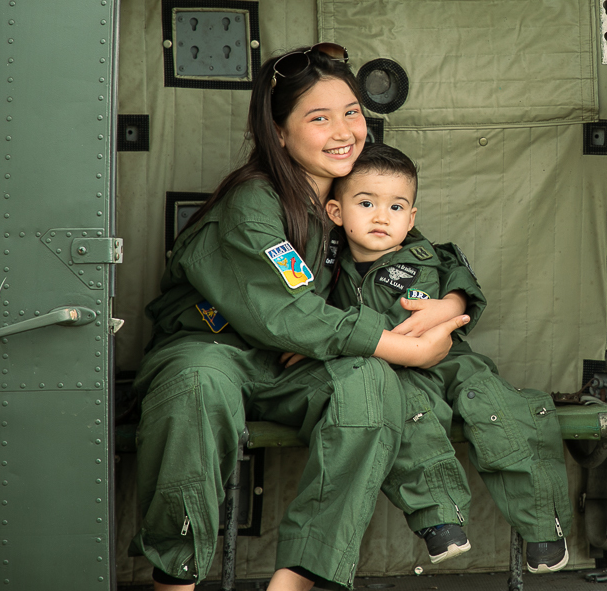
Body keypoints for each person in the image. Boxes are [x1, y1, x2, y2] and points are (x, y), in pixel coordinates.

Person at [132, 44, 471, 591]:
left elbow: (426, 252)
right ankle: (177, 579)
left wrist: (452, 305)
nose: (343, 130)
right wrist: (407, 347)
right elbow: (284, 312)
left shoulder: (348, 190)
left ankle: (297, 579)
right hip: (212, 349)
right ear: (279, 132)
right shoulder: (254, 201)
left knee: (369, 381)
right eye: (319, 118)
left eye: (352, 112)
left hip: (289, 361)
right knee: (197, 389)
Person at [326, 144, 573, 574]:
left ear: (412, 217)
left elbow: (463, 283)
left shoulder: (430, 254)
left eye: (396, 206)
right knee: (411, 416)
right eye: (366, 203)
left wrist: (453, 300)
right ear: (335, 211)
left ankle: (543, 525)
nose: (381, 216)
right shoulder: (324, 265)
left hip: (453, 359)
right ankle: (439, 518)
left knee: (499, 408)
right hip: (391, 371)